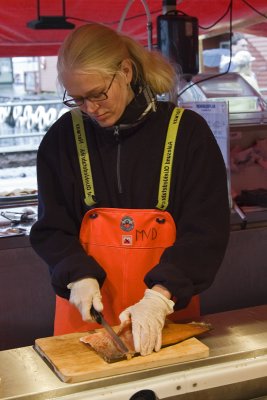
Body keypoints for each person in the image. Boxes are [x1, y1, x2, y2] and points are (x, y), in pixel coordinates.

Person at [30, 23, 230, 356]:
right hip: (86, 320)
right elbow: (51, 227)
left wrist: (158, 297)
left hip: (164, 314)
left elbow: (206, 230)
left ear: (125, 71)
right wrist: (76, 273)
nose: (91, 108)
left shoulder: (188, 134)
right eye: (78, 99)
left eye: (98, 94)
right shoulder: (62, 139)